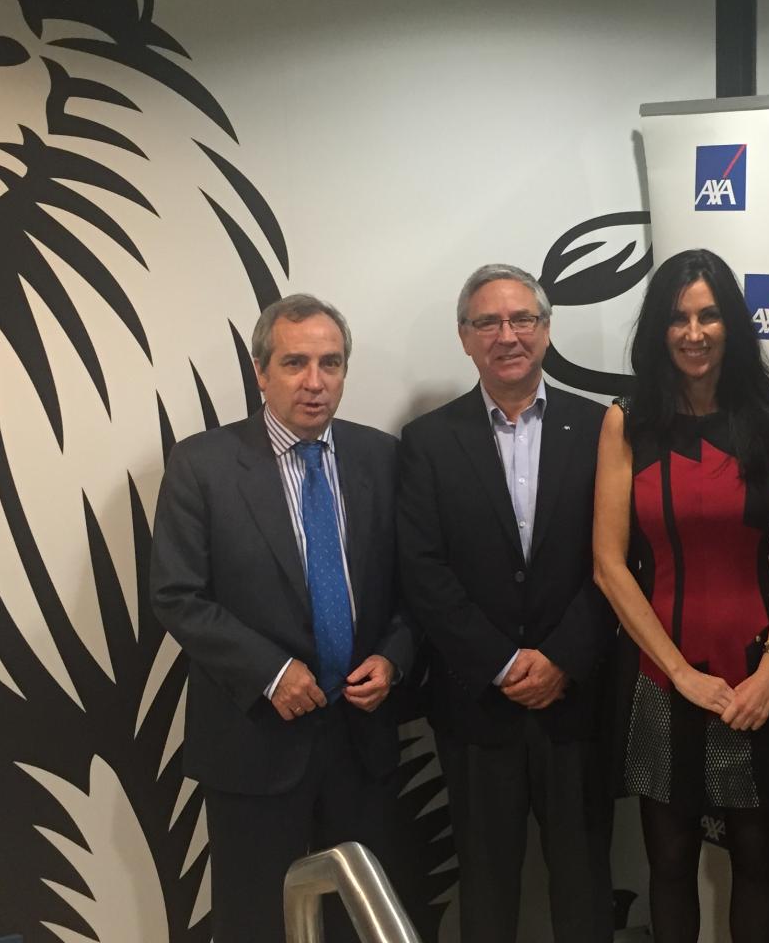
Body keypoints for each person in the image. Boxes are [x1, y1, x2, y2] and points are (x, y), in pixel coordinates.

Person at [149, 295, 414, 943]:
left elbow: (416, 589)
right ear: (261, 370)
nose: (315, 381)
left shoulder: (384, 459)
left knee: (360, 922)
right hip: (254, 742)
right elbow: (177, 593)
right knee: (256, 924)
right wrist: (271, 673)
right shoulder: (201, 464)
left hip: (361, 739)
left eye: (331, 363)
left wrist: (395, 657)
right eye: (295, 362)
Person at [396, 263, 613, 942]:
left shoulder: (604, 427)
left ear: (547, 331)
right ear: (464, 338)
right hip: (476, 706)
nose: (507, 335)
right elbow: (423, 569)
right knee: (486, 891)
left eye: (523, 319)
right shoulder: (427, 441)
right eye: (487, 322)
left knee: (584, 882)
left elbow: (619, 562)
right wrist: (501, 662)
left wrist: (562, 658)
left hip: (575, 701)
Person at [592, 248, 769, 943]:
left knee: (757, 861)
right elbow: (608, 564)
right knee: (671, 862)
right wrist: (679, 674)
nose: (694, 332)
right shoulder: (628, 421)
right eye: (679, 317)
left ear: (732, 324)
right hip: (660, 676)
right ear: (658, 328)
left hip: (754, 674)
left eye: (709, 314)